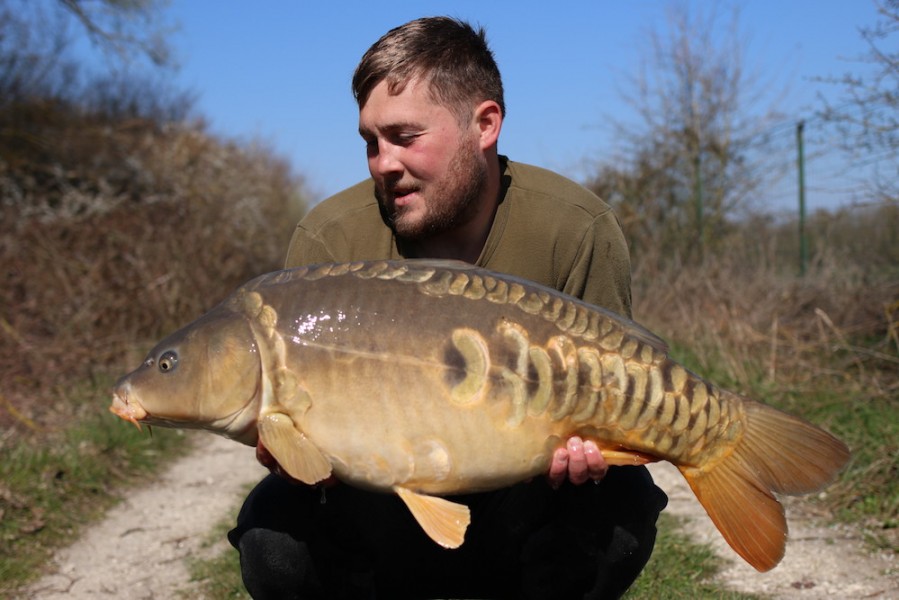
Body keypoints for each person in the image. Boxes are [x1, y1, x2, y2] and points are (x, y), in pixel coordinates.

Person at [228, 16, 667, 600]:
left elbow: (620, 391)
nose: (383, 162)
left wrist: (597, 449)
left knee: (619, 504)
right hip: (381, 507)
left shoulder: (576, 228)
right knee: (274, 534)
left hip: (530, 493)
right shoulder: (329, 240)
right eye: (370, 142)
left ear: (484, 125)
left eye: (404, 138)